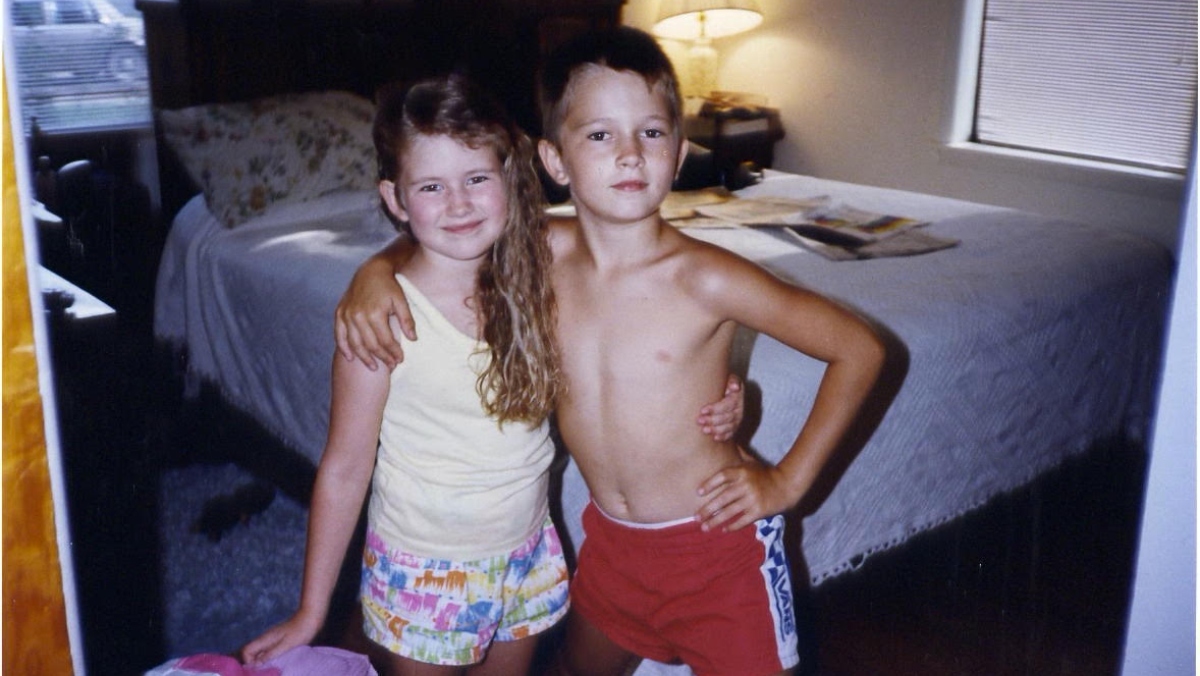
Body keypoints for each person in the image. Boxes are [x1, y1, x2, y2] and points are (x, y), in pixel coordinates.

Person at [335, 27, 886, 676]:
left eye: (650, 133)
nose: (628, 154)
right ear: (555, 162)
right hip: (613, 549)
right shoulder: (542, 250)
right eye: (600, 135)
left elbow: (860, 348)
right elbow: (447, 231)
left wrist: (787, 480)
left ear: (678, 154)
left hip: (716, 551)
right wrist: (374, 271)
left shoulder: (708, 277)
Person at [241, 73, 744, 676]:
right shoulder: (382, 322)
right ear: (396, 200)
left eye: (477, 178)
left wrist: (722, 393)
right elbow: (345, 470)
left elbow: (635, 305)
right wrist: (311, 610)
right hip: (421, 571)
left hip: (526, 556)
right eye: (430, 186)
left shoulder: (539, 271)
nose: (458, 203)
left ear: (510, 180)